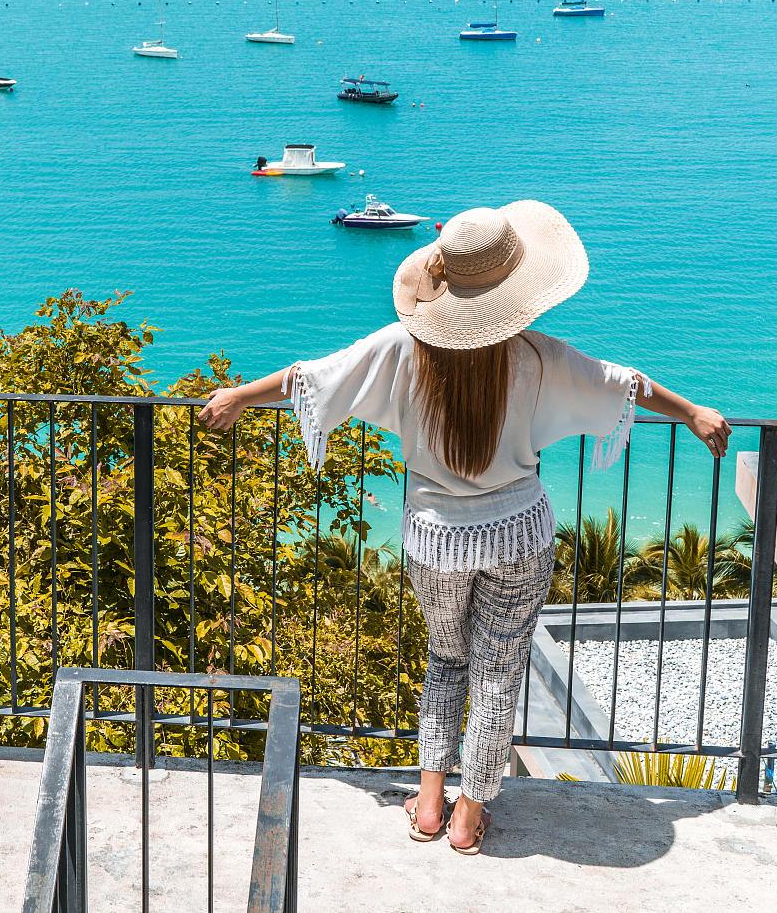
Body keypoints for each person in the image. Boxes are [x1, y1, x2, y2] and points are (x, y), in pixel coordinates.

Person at [197, 201, 729, 854]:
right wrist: (693, 412)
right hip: (517, 534)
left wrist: (238, 396)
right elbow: (626, 386)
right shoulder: (540, 356)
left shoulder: (401, 349)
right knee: (498, 673)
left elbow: (312, 378)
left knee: (445, 660)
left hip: (435, 538)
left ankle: (428, 806)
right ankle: (468, 817)